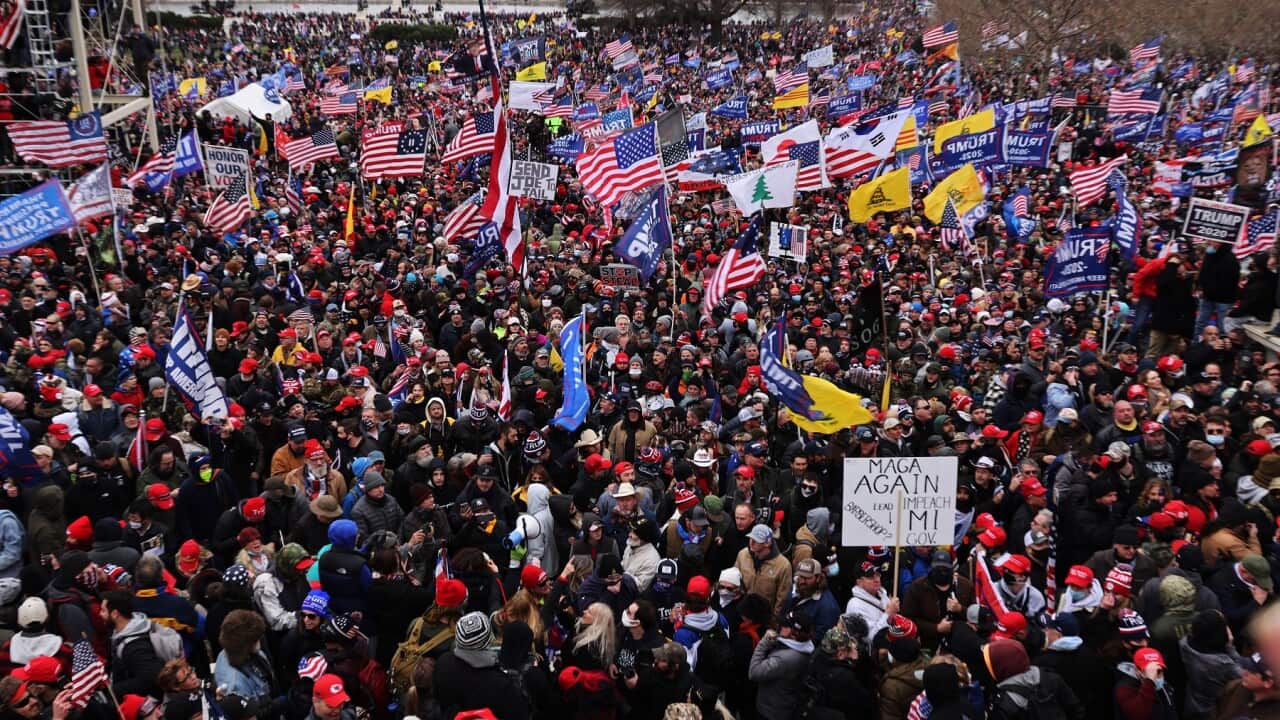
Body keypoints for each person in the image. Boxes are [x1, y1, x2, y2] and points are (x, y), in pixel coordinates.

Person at [748, 608, 815, 720]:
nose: (779, 626)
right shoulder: (805, 648)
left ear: (794, 634)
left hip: (770, 712)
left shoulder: (784, 659)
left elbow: (754, 672)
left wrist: (764, 642)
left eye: (785, 625)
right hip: (783, 705)